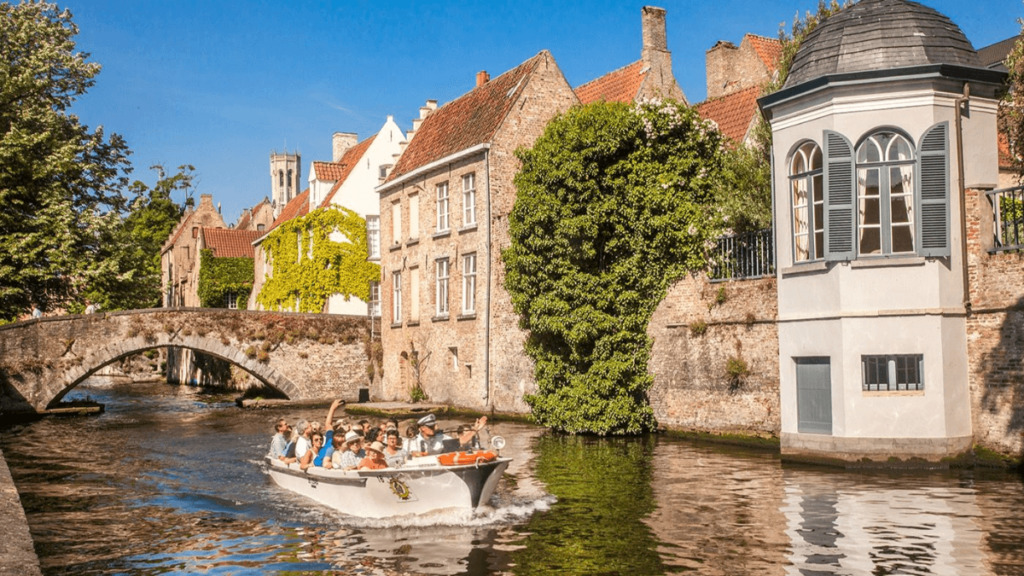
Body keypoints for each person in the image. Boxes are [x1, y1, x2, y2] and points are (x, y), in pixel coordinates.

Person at [314, 399, 344, 468]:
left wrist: (332, 408)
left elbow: (328, 424)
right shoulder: (330, 441)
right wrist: (332, 408)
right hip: (319, 465)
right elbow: (328, 424)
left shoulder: (330, 439)